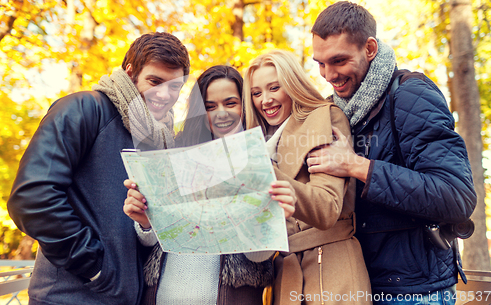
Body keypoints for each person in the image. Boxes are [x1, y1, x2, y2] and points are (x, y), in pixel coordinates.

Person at [307, 1, 477, 304]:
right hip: (357, 285)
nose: (328, 74)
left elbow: (457, 196)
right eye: (320, 63)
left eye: (338, 61)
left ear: (370, 48)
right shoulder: (335, 111)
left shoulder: (411, 94)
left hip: (414, 293)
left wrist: (358, 167)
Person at [7, 32, 190, 305]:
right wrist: (95, 268)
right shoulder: (83, 109)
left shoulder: (159, 138)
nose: (165, 94)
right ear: (130, 72)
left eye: (174, 86)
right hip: (68, 298)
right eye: (155, 81)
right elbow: (32, 198)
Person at [123, 65, 297, 305]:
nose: (221, 113)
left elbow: (258, 257)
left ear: (245, 105)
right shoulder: (172, 156)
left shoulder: (262, 163)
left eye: (231, 103)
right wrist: (143, 222)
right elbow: (152, 241)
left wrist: (269, 221)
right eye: (210, 106)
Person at [244, 50, 372, 305]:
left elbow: (327, 207)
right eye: (257, 93)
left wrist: (263, 172)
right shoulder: (257, 141)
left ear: (292, 85)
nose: (265, 100)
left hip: (331, 268)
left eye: (274, 88)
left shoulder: (324, 117)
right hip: (285, 274)